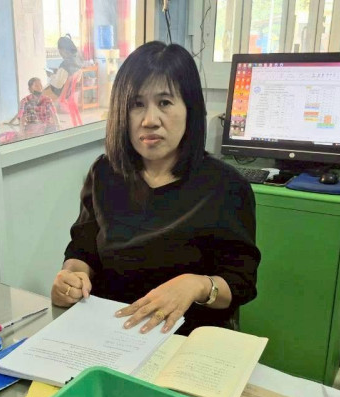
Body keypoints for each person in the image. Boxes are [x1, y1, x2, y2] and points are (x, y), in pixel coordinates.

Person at [50, 41, 261, 336]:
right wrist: (71, 277)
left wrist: (196, 284)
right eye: (137, 104)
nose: (149, 120)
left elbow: (241, 282)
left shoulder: (226, 186)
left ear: (189, 109)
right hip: (111, 330)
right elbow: (83, 248)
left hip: (187, 337)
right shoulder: (105, 173)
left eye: (164, 103)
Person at [43, 35, 82, 100]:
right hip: (71, 92)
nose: (60, 54)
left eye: (60, 51)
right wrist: (58, 72)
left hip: (60, 94)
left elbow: (58, 85)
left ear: (64, 50)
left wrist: (51, 75)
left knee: (38, 96)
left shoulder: (65, 65)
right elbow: (69, 76)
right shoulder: (77, 61)